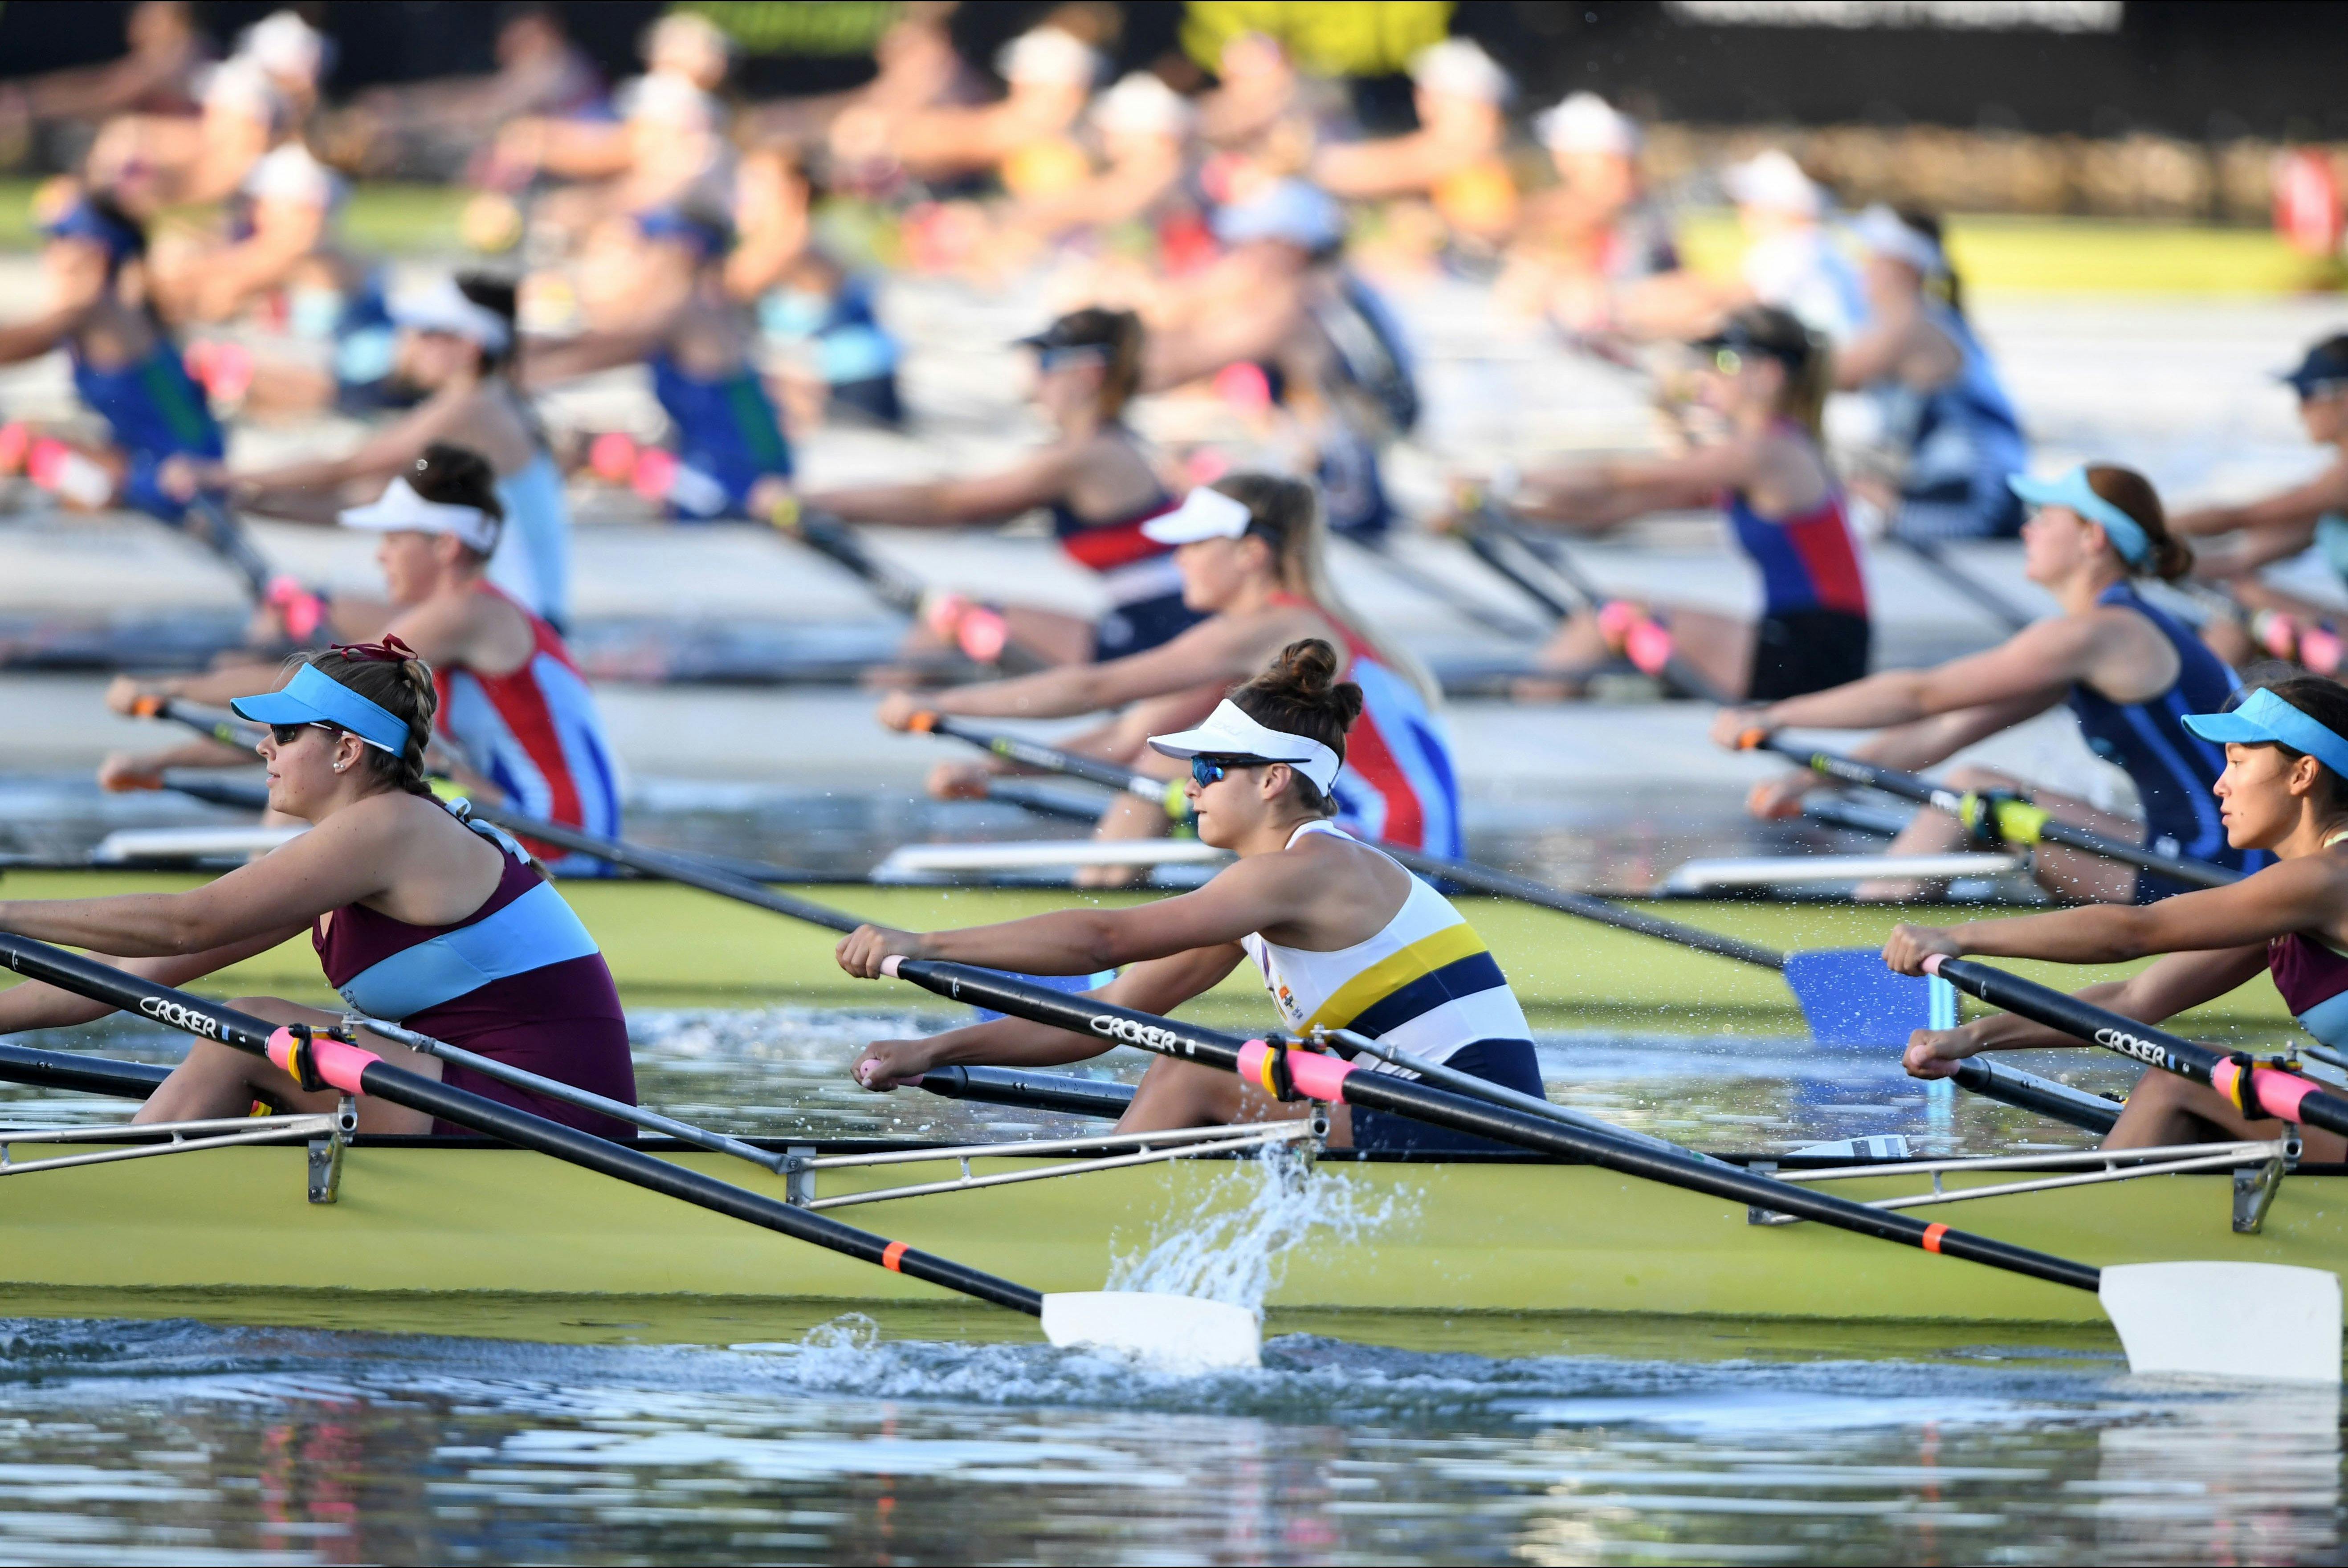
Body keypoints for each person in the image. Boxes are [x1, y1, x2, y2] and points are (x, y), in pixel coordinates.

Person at [837, 639, 1538, 1152]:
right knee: (1211, 1064)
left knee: (1191, 1069)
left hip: (1472, 1120)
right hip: (1421, 1111)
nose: (1191, 785)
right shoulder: (1263, 896)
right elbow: (1106, 1014)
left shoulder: (1309, 869)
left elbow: (1103, 940)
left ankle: (1094, 1219)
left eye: (1207, 766)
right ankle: (1117, 1198)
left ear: (1272, 780)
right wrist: (935, 1050)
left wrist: (923, 945)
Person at [0, 639, 636, 1140]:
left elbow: (185, 922)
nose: (262, 748)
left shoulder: (393, 828)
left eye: (285, 733)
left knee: (248, 1030)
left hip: (554, 1116)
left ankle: (122, 1201)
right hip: (476, 1093)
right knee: (254, 1038)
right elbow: (123, 967)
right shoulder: (355, 851)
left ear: (346, 752)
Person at [1715, 463, 2261, 904]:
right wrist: (1816, 782)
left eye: (2044, 517)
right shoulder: (2109, 635)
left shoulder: (2100, 634)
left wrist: (1775, 715)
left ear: (2092, 537)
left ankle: (1868, 950)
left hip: (2213, 875)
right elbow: (1942, 729)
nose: (2027, 529)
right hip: (2212, 859)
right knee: (1970, 783)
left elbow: (1920, 694)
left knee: (1972, 792)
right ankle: (1885, 935)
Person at [1883, 674, 2348, 1161]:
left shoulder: (2324, 879)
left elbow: (2133, 932)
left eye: (2236, 762)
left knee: (2182, 1076)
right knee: (2197, 1081)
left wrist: (1956, 936)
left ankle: (2085, 1227)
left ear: (2302, 774)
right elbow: (2133, 998)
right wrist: (1972, 1038)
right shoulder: (2294, 894)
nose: (2219, 784)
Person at [880, 474, 1463, 861]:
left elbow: (1096, 686)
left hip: (1394, 846)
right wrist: (993, 773)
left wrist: (939, 706)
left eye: (1192, 545)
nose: (1176, 560)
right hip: (1382, 841)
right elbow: (1125, 734)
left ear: (1250, 555)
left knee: (1171, 769)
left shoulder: (1281, 628)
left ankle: (1100, 939)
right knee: (1165, 753)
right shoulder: (1268, 642)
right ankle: (1104, 925)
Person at [102, 444, 621, 872]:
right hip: (535, 829)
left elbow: (311, 691)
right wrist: (156, 764)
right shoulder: (457, 623)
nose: (380, 555)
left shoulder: (469, 612)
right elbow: (306, 715)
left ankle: (249, 905)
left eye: (394, 538)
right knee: (336, 745)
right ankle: (261, 888)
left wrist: (168, 689)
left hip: (555, 844)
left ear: (445, 546)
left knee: (331, 761)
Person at [1493, 305, 1871, 702]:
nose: (1707, 373)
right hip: (1799, 640)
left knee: (1610, 620)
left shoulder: (1767, 452)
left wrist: (1503, 478)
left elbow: (1618, 476)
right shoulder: (1753, 458)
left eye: (1724, 361)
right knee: (1610, 622)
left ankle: (1523, 720)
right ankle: (1534, 710)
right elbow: (1612, 507)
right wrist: (1504, 511)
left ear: (1768, 375)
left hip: (1815, 651)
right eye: (1706, 360)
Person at [169, 273, 576, 630]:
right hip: (517, 619)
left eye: (429, 332)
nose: (414, 343)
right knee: (293, 617)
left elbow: (346, 468)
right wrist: (244, 504)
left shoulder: (473, 408)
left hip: (518, 625)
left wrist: (217, 476)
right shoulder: (487, 406)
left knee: (293, 615)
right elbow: (364, 502)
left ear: (469, 345)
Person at [805, 307, 1196, 665]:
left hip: (1161, 636)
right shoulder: (1109, 444)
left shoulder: (1083, 457)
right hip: (1157, 623)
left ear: (1087, 374)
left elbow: (946, 504)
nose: (1031, 388)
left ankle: (886, 711)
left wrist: (819, 502)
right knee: (961, 623)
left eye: (1043, 368)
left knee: (948, 620)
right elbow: (969, 515)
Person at [528, 207, 793, 523]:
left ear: (683, 252)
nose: (644, 255)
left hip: (731, 481)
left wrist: (506, 365)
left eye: (652, 245)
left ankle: (529, 527)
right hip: (738, 463)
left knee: (596, 448)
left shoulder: (684, 313)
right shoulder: (707, 303)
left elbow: (590, 350)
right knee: (598, 442)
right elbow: (583, 343)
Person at [0, 191, 229, 539]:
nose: (48, 252)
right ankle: (93, 496)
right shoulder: (126, 308)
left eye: (61, 240)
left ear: (96, 256)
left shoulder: (92, 315)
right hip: (178, 464)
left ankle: (102, 498)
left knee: (22, 446)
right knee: (36, 434)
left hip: (175, 479)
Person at [1834, 206, 2027, 541]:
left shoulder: (1910, 328)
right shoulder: (1928, 319)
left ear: (1902, 267)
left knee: (1834, 499)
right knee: (1847, 480)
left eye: (1872, 257)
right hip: (1977, 489)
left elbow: (1820, 376)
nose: (1860, 267)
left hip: (1980, 502)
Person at [2171, 334, 2348, 676]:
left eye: (2306, 394)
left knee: (2248, 597)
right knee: (2240, 608)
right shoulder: (2328, 495)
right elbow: (2239, 559)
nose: (2299, 411)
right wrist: (2155, 561)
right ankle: (2197, 714)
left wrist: (2150, 520)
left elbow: (2240, 516)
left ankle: (2191, 711)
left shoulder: (2339, 484)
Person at [1622, 149, 1866, 346]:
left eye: (1754, 200)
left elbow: (1714, 296)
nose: (1744, 210)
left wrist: (1625, 306)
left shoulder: (1794, 250)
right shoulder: (1817, 247)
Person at [1499, 92, 1678, 337]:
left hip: (1633, 308)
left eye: (1567, 150)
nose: (1561, 158)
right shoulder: (1584, 198)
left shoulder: (1626, 200)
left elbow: (1590, 210)